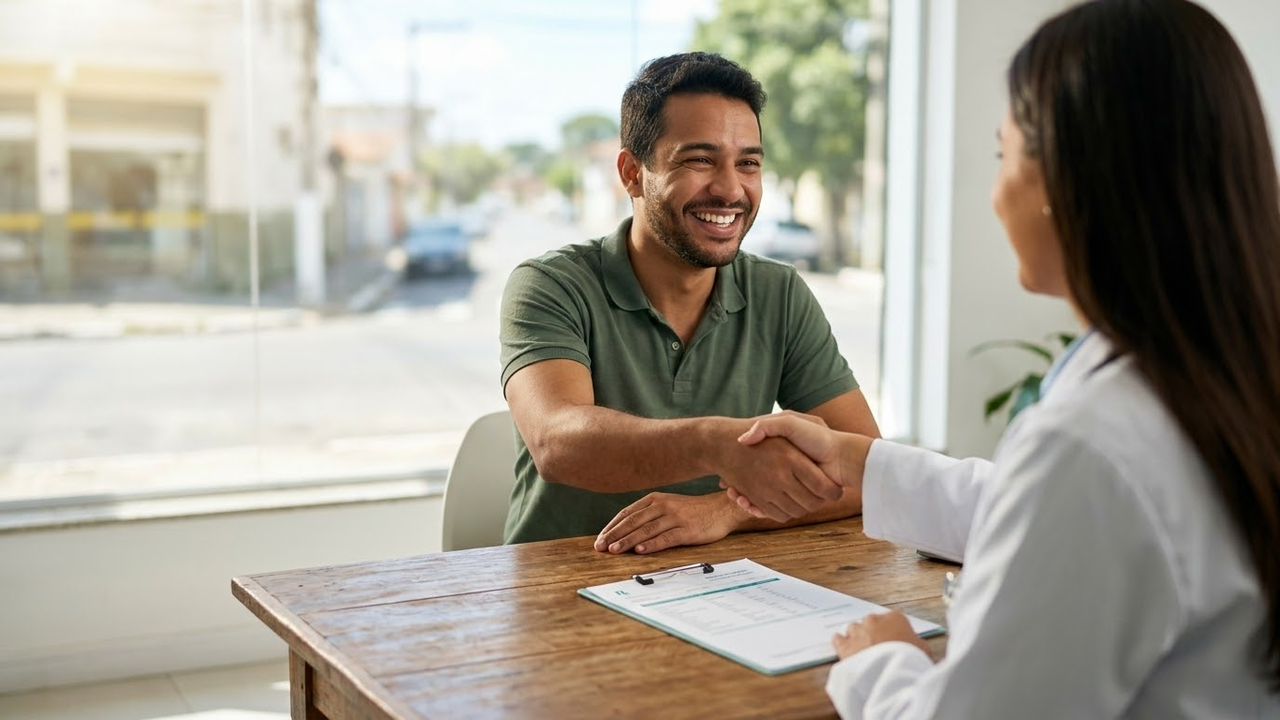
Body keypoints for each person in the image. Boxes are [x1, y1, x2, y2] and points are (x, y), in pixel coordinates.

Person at [724, 0, 1280, 716]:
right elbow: (1046, 515)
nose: (995, 194)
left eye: (1003, 154)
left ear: (1072, 181)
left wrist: (884, 663)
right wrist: (854, 460)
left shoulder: (1093, 443)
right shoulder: (1222, 377)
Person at [499, 51, 880, 551]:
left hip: (721, 589)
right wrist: (720, 446)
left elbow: (868, 469)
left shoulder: (779, 293)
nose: (730, 189)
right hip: (559, 592)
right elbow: (558, 442)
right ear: (632, 173)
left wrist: (724, 512)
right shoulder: (550, 284)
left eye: (748, 164)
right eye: (700, 160)